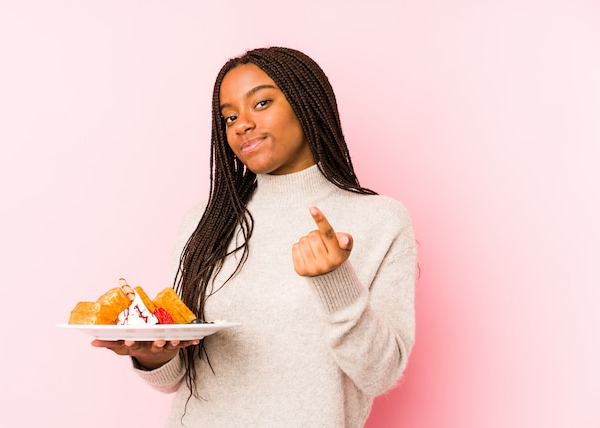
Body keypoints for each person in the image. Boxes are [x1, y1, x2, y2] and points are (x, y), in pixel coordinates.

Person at [92, 46, 417, 428]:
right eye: (229, 116)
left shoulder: (381, 221)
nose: (241, 124)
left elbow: (379, 374)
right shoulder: (205, 221)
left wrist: (335, 282)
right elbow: (177, 376)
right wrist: (151, 354)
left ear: (305, 103)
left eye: (261, 103)